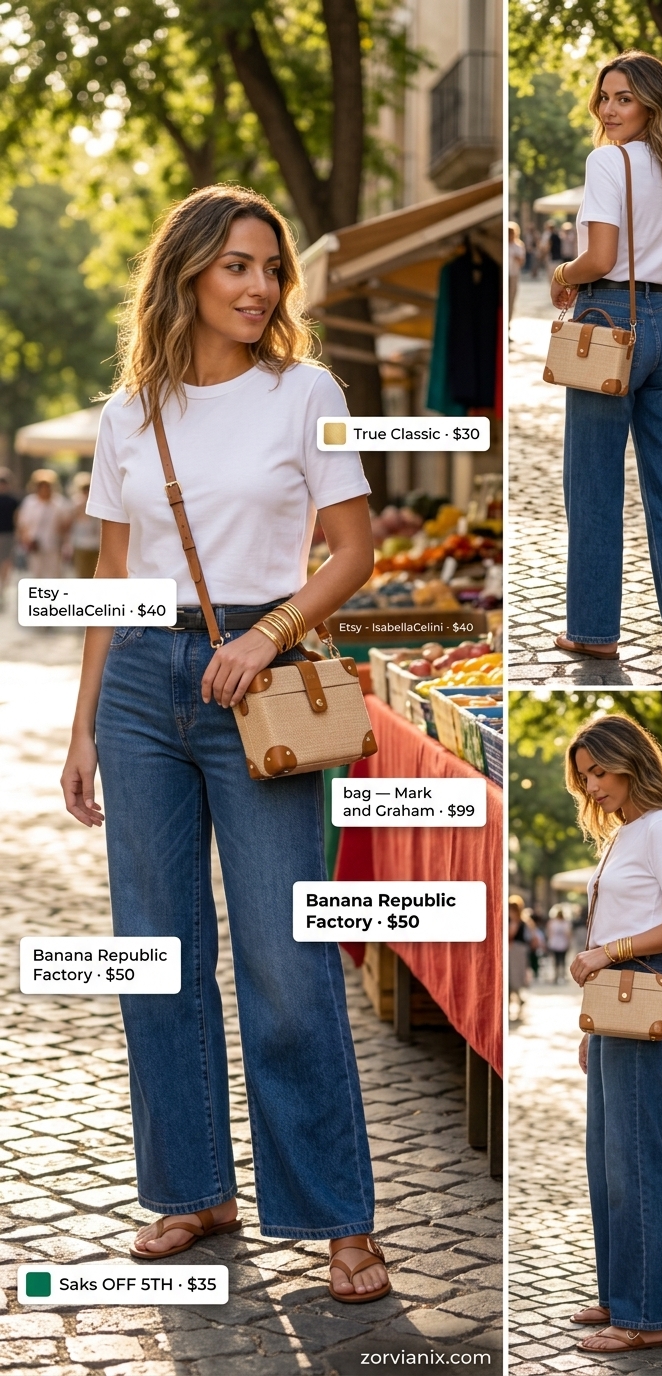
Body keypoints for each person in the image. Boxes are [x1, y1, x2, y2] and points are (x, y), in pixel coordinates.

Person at [60, 184, 392, 1304]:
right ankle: (193, 1189)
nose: (259, 287)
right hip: (142, 690)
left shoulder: (308, 392)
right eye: (238, 266)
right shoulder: (128, 413)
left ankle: (339, 1215)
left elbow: (353, 550)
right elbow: (110, 579)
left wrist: (264, 634)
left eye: (271, 269)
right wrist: (83, 729)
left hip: (263, 684)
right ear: (190, 273)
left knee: (287, 964)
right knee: (157, 959)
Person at [550, 51, 662, 664]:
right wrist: (646, 287)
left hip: (604, 324)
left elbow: (597, 257)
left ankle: (594, 631)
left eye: (623, 97)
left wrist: (560, 273)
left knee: (593, 484)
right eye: (604, 97)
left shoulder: (607, 160)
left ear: (651, 102)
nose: (609, 109)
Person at [565, 713, 662, 1354]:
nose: (592, 786)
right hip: (617, 1001)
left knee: (637, 1163)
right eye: (585, 776)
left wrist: (607, 955)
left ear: (631, 762)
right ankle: (619, 1291)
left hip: (639, 986)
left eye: (600, 771)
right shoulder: (624, 835)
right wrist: (596, 1019)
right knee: (606, 1161)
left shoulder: (661, 828)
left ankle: (647, 1315)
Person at [16, 469, 70, 577]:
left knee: (54, 573)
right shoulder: (29, 502)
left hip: (53, 544)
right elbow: (22, 523)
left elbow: (66, 524)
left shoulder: (60, 503)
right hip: (35, 544)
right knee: (36, 573)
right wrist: (25, 539)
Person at [66, 471, 102, 578]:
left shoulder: (98, 502)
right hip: (81, 543)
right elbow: (69, 522)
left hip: (97, 543)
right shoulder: (76, 502)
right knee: (83, 574)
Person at [0, 468, 20, 606]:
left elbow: (18, 518)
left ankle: (2, 589)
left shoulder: (13, 501)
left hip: (8, 535)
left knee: (6, 563)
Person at [546, 904, 572, 983]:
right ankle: (560, 975)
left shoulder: (554, 923)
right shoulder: (564, 923)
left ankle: (558, 975)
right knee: (561, 960)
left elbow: (549, 933)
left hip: (557, 943)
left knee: (558, 960)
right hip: (559, 943)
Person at [508, 221, 527, 322]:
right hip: (505, 274)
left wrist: (516, 257)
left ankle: (508, 321)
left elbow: (522, 262)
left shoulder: (518, 246)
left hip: (513, 274)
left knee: (511, 299)